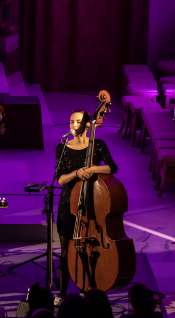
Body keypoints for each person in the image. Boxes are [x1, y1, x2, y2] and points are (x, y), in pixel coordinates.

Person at [55, 110, 117, 301]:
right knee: (66, 251)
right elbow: (60, 180)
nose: (73, 124)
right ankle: (63, 292)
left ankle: (91, 288)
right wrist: (76, 173)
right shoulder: (62, 147)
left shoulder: (97, 145)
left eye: (77, 121)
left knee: (92, 249)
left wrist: (92, 169)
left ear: (87, 125)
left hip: (92, 204)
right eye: (71, 121)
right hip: (69, 205)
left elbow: (111, 167)